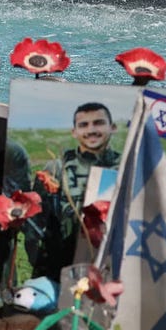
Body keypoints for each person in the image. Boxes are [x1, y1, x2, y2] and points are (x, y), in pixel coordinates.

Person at [41, 101, 120, 273]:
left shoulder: (126, 167)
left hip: (114, 260)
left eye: (98, 123)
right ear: (74, 132)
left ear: (112, 127)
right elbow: (39, 225)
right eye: (83, 125)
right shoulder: (56, 168)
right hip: (65, 261)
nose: (91, 130)